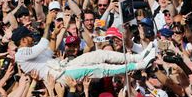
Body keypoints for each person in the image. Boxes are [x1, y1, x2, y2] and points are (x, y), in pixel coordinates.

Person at [12, 26, 156, 84]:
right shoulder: (20, 54)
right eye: (29, 37)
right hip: (60, 76)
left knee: (98, 54)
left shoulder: (30, 51)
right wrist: (49, 23)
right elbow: (43, 45)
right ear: (23, 40)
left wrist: (55, 35)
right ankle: (139, 65)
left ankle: (138, 57)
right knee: (100, 68)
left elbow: (48, 51)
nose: (32, 38)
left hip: (63, 66)